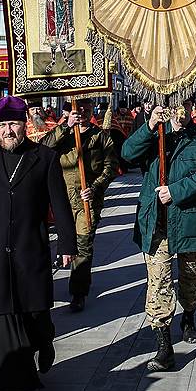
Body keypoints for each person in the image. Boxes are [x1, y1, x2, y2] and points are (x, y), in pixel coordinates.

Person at [0, 96, 77, 391]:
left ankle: (45, 338)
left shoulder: (44, 157)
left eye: (13, 124)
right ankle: (0, 380)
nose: (9, 131)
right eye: (2, 126)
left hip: (30, 247)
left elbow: (60, 204)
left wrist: (67, 243)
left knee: (34, 315)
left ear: (24, 125)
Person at [121, 100, 196, 371]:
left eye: (185, 105)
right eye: (174, 105)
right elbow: (127, 154)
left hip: (188, 221)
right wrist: (150, 125)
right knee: (158, 283)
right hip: (156, 223)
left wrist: (175, 191)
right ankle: (164, 345)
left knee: (191, 277)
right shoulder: (155, 134)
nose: (179, 111)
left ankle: (189, 316)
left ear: (193, 110)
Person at [41, 100, 118, 312]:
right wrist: (66, 126)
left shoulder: (100, 136)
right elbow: (43, 148)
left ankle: (78, 291)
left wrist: (95, 186)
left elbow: (111, 166)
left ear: (92, 111)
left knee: (84, 244)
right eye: (78, 110)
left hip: (87, 199)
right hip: (62, 197)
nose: (82, 113)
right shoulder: (62, 132)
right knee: (66, 241)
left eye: (87, 110)